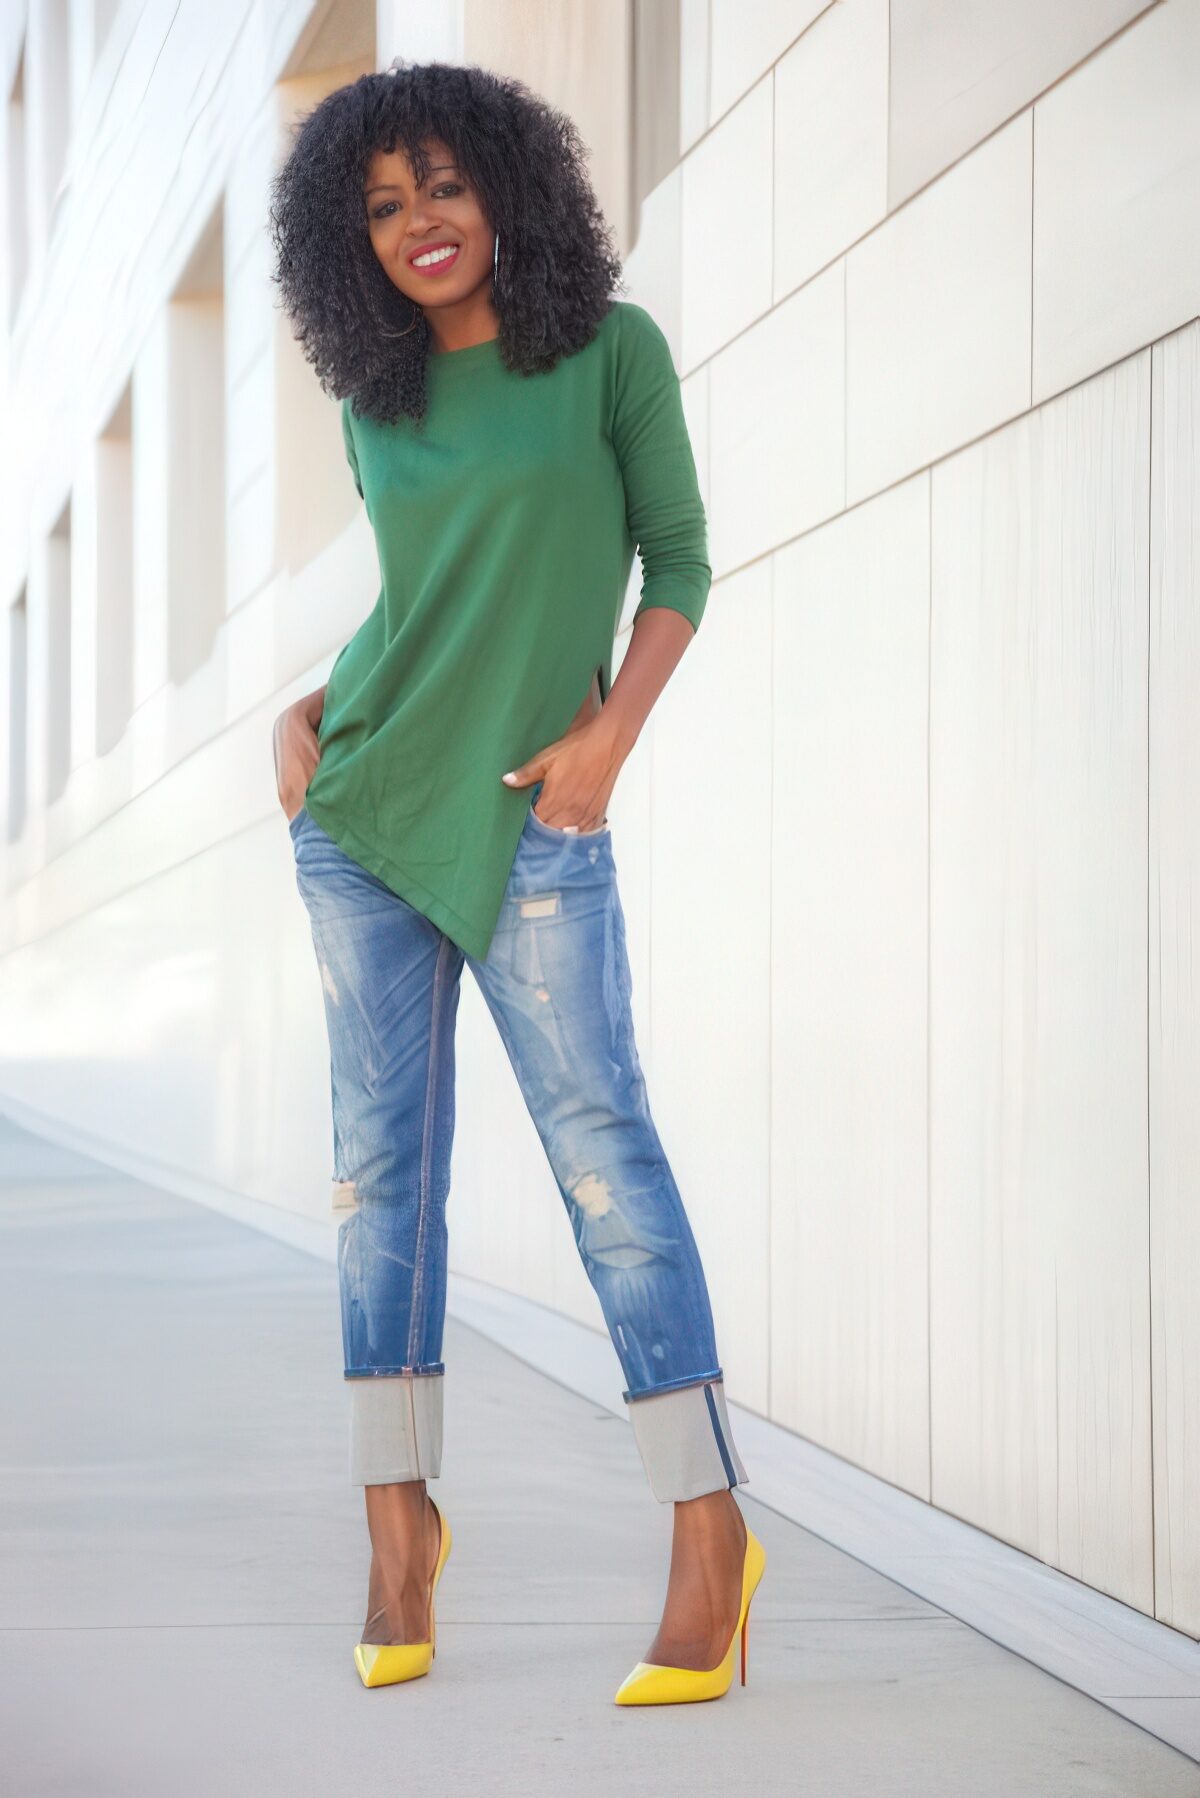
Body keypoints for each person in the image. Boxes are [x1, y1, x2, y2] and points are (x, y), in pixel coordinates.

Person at [268, 58, 764, 1706]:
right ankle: (397, 1527)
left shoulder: (611, 355)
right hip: (366, 817)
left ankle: (711, 1539)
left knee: (604, 1156)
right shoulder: (378, 397)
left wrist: (609, 739)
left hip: (541, 815)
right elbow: (434, 600)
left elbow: (677, 560)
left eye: (442, 185)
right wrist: (316, 706)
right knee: (378, 1186)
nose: (421, 224)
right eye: (384, 205)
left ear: (506, 185)